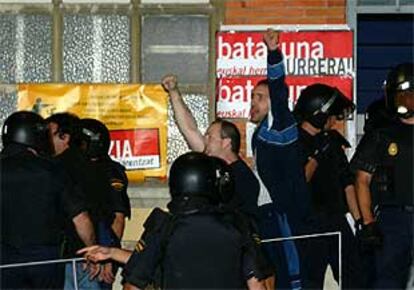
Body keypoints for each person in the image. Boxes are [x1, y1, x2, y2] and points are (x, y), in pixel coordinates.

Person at [78, 152, 270, 290]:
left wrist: (111, 252)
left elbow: (139, 276)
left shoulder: (166, 226)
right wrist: (112, 252)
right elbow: (257, 284)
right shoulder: (238, 224)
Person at [247, 29, 312, 290]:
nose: (253, 103)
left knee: (289, 276)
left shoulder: (281, 122)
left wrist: (273, 52)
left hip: (284, 213)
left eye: (260, 98)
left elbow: (278, 87)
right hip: (266, 214)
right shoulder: (261, 133)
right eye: (252, 97)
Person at [0, 111, 95, 289]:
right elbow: (81, 218)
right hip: (45, 260)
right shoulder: (53, 170)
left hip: (4, 260)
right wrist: (93, 250)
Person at [293, 83, 365, 289]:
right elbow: (299, 182)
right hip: (310, 223)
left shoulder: (332, 141)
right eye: (331, 115)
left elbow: (347, 183)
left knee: (353, 277)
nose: (334, 121)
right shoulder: (296, 142)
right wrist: (316, 155)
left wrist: (360, 221)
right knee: (310, 280)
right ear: (318, 114)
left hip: (336, 220)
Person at [351, 62, 414, 289]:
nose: (404, 102)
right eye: (399, 96)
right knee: (387, 281)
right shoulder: (381, 135)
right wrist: (367, 222)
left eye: (409, 95)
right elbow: (361, 179)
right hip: (393, 218)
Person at [161, 76, 260, 219]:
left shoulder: (243, 178)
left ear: (226, 143)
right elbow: (190, 129)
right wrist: (174, 92)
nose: (204, 139)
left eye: (210, 137)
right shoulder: (212, 164)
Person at [46, 112, 109, 289]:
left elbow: (81, 217)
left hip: (67, 256)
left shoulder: (55, 169)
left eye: (49, 135)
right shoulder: (94, 167)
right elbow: (105, 214)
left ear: (65, 137)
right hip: (90, 253)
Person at [79, 118, 131, 288]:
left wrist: (110, 256)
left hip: (101, 248)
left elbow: (117, 218)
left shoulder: (111, 171)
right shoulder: (71, 167)